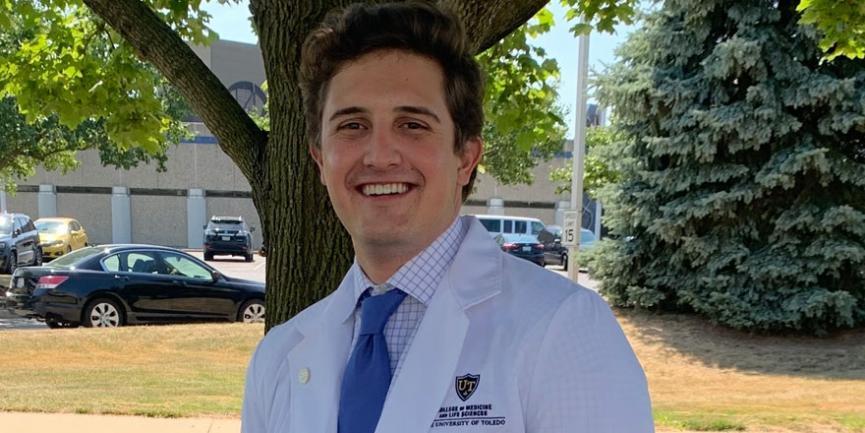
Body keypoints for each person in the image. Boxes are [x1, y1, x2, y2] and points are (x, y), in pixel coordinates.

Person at [241, 2, 654, 432]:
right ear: (320, 161)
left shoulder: (563, 330)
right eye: (352, 126)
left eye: (413, 125)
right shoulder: (279, 357)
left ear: (466, 158)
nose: (379, 155)